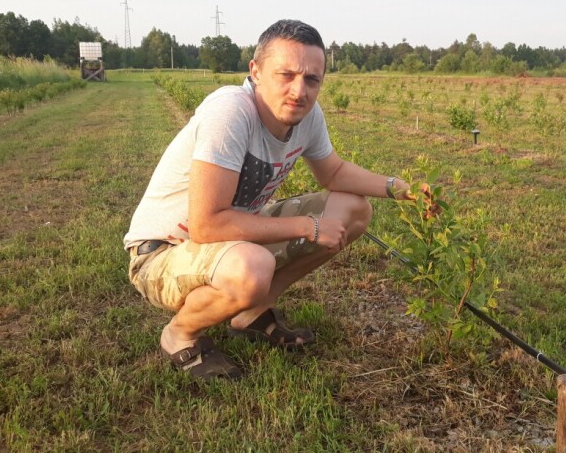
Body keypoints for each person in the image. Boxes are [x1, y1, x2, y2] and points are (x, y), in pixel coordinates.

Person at [124, 19, 415, 379]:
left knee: (353, 210)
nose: (299, 90)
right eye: (286, 74)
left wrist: (398, 187)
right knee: (253, 266)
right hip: (162, 251)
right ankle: (180, 334)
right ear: (256, 71)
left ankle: (252, 311)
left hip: (231, 240)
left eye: (312, 79)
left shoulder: (307, 117)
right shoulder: (230, 112)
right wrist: (307, 226)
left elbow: (334, 173)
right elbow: (205, 224)